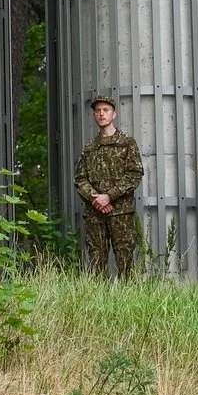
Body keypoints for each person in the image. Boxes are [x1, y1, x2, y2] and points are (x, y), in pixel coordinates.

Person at [74, 93, 142, 277]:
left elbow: (135, 174)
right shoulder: (89, 148)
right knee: (96, 260)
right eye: (98, 110)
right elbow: (80, 179)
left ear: (114, 114)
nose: (101, 114)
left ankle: (128, 302)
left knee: (125, 258)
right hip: (95, 213)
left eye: (106, 110)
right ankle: (98, 302)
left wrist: (109, 196)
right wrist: (96, 199)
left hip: (121, 212)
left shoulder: (127, 142)